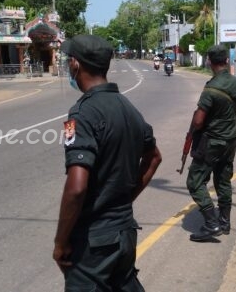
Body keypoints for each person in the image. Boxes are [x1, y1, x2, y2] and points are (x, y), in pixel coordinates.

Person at [53, 34, 162, 291]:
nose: (68, 66)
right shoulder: (128, 108)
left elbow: (77, 187)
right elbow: (154, 157)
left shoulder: (81, 114)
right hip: (125, 231)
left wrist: (60, 242)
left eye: (69, 60)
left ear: (76, 65)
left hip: (94, 242)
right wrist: (124, 198)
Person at [184, 44, 236, 242]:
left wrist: (193, 132)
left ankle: (212, 224)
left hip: (211, 142)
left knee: (195, 182)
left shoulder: (210, 89)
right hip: (230, 140)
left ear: (209, 61)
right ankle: (225, 223)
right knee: (223, 180)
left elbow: (199, 121)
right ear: (227, 60)